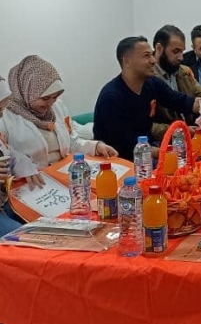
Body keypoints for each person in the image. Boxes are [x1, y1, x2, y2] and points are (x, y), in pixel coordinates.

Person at [94, 36, 201, 161]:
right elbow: (127, 147)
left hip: (149, 149)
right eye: (146, 56)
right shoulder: (111, 98)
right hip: (122, 161)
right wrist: (169, 152)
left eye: (152, 54)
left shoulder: (152, 83)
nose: (153, 60)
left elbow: (180, 101)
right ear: (127, 62)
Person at [0, 56, 117, 170]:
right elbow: (5, 160)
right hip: (32, 179)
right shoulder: (5, 117)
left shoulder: (57, 107)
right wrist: (24, 169)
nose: (50, 103)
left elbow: (72, 142)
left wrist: (95, 146)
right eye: (45, 98)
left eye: (55, 97)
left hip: (63, 173)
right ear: (27, 91)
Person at [152, 25, 201, 140]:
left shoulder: (184, 72)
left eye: (182, 51)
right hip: (165, 142)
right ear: (159, 48)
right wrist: (180, 130)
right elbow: (146, 126)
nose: (181, 57)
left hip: (191, 137)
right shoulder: (146, 78)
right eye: (176, 52)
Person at [0, 74, 42, 236]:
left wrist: (26, 167)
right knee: (23, 239)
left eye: (2, 110)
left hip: (6, 202)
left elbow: (11, 153)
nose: (1, 116)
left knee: (46, 223)